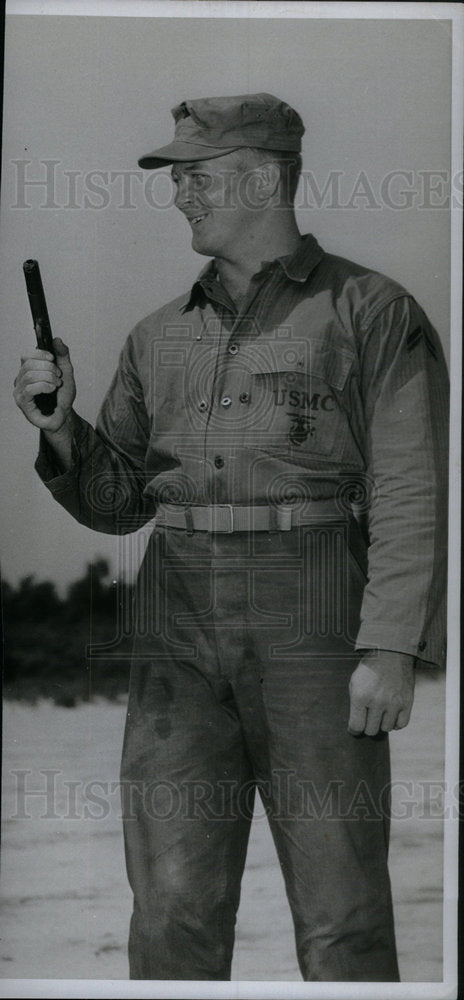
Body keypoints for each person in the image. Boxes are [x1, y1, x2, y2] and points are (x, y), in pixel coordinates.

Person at [14, 93, 448, 983]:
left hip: (316, 617)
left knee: (343, 918)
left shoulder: (373, 312)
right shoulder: (157, 334)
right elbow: (121, 503)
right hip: (177, 619)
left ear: (263, 177)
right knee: (170, 912)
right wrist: (59, 430)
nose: (179, 194)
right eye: (177, 178)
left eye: (195, 176)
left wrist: (393, 643)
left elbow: (411, 489)